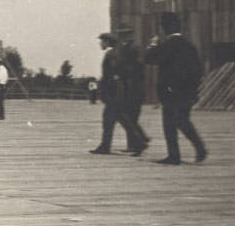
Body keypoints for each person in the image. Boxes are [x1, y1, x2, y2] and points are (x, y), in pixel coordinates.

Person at [144, 12, 207, 165]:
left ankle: (174, 155)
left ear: (165, 28)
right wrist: (192, 88)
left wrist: (153, 44)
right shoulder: (189, 45)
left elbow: (150, 59)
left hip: (171, 91)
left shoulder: (168, 45)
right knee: (183, 120)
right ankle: (199, 147)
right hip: (187, 92)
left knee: (170, 123)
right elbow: (198, 70)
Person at [89, 33, 147, 156]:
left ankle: (138, 142)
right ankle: (138, 142)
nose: (100, 44)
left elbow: (112, 73)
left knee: (113, 120)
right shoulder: (116, 53)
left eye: (102, 41)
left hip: (113, 92)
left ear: (107, 42)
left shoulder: (111, 54)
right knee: (117, 119)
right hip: (116, 92)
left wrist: (107, 89)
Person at [115, 24, 150, 152]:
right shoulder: (123, 48)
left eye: (124, 34)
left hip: (135, 87)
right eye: (121, 34)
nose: (122, 36)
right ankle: (138, 140)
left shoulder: (136, 48)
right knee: (129, 116)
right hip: (127, 87)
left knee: (131, 117)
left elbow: (139, 65)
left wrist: (123, 71)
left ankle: (137, 142)